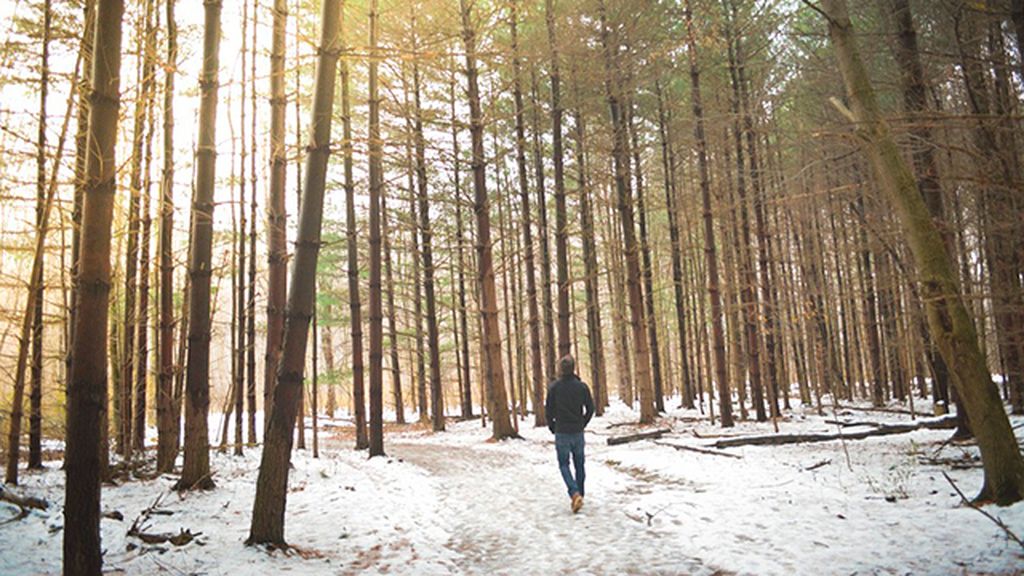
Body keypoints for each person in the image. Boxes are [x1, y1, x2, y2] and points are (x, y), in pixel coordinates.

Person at [545, 354, 594, 513]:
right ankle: (579, 494)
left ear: (561, 369)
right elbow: (591, 408)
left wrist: (552, 426)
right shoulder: (582, 387)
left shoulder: (554, 388)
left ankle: (574, 494)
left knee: (564, 464)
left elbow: (548, 411)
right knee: (579, 464)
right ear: (573, 368)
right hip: (577, 432)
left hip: (562, 432)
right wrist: (583, 423)